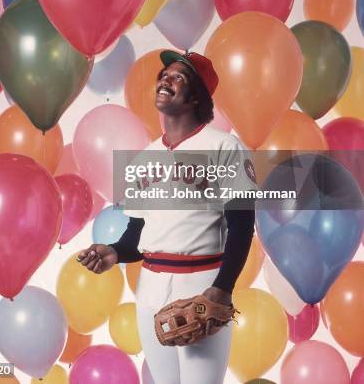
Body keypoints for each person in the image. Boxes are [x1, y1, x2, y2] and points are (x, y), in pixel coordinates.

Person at [78, 50, 257, 384]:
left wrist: (223, 287)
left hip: (202, 285)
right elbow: (138, 231)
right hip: (150, 288)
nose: (165, 79)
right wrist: (115, 251)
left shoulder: (224, 147)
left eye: (178, 77)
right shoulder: (145, 156)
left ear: (196, 97)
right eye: (164, 74)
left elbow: (243, 224)